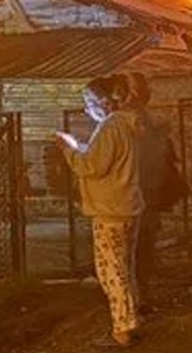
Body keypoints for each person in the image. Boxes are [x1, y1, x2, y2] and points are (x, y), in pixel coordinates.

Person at [58, 77, 144, 348]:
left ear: (106, 101)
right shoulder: (126, 125)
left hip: (110, 211)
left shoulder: (110, 127)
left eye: (90, 102)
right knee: (125, 266)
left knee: (111, 270)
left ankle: (123, 326)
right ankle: (131, 315)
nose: (87, 109)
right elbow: (105, 162)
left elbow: (91, 167)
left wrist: (69, 149)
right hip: (127, 206)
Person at [127, 72, 167, 312]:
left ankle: (138, 296)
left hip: (142, 193)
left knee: (140, 247)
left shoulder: (135, 117)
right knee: (140, 247)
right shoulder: (135, 117)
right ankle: (138, 295)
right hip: (141, 193)